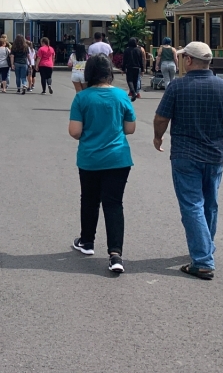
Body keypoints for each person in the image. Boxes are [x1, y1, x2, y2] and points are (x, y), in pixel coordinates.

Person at [153, 41, 223, 280]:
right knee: (210, 203)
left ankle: (203, 260)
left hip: (185, 153)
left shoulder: (177, 87)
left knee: (192, 204)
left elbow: (161, 118)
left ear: (190, 60)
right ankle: (206, 246)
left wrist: (157, 137)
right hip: (214, 154)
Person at [68, 54, 136, 274]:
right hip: (118, 158)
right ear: (110, 72)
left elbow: (75, 131)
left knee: (89, 199)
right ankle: (115, 254)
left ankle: (87, 242)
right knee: (114, 204)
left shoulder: (82, 98)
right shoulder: (121, 96)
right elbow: (130, 128)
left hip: (90, 158)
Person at [122, 37, 145, 102]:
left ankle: (133, 92)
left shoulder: (127, 50)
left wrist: (123, 69)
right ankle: (134, 92)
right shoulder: (138, 50)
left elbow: (124, 60)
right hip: (137, 67)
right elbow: (141, 60)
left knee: (129, 80)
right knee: (135, 80)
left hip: (129, 67)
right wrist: (142, 69)